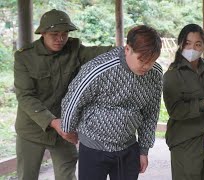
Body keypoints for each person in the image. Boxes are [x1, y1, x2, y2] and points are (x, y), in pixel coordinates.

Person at [14, 9, 113, 180]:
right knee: (27, 176)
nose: (60, 39)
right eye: (54, 34)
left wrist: (130, 49)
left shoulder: (74, 49)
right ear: (43, 33)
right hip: (32, 129)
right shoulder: (25, 57)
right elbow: (25, 96)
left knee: (67, 176)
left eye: (64, 34)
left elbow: (98, 53)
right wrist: (53, 122)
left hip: (64, 128)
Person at [60, 25, 163, 180]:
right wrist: (68, 129)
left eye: (152, 61)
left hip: (128, 147)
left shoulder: (155, 73)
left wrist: (143, 150)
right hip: (93, 147)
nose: (147, 66)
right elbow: (73, 100)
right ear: (128, 49)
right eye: (142, 60)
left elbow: (151, 113)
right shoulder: (98, 69)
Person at [163, 23, 204, 180]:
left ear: (203, 46)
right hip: (185, 141)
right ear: (180, 44)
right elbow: (175, 110)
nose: (192, 48)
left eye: (197, 44)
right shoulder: (173, 75)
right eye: (188, 43)